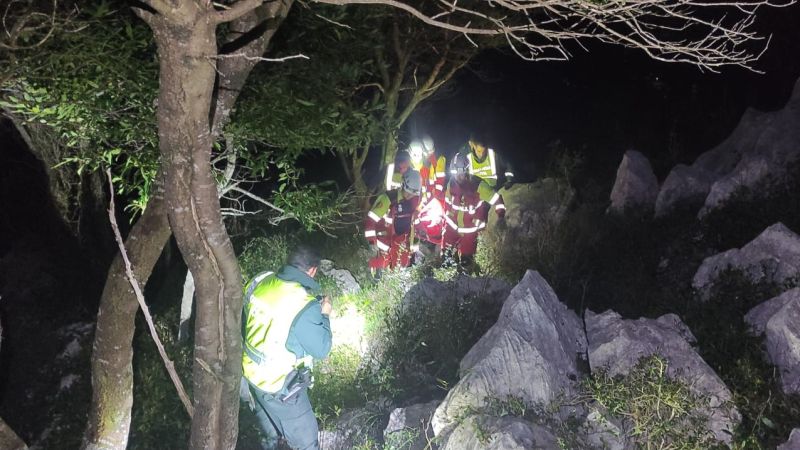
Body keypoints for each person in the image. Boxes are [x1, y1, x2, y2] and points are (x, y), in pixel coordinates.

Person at [241, 246, 332, 450]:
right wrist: (324, 314)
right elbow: (322, 349)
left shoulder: (262, 281)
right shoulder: (303, 303)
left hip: (251, 378)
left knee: (270, 438)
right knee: (307, 444)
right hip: (279, 387)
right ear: (312, 271)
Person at [442, 153, 505, 272]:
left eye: (461, 173)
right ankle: (448, 281)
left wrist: (500, 215)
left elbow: (497, 199)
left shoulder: (478, 186)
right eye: (456, 174)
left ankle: (468, 280)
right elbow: (447, 204)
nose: (459, 177)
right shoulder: (451, 184)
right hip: (451, 229)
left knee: (466, 264)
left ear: (467, 170)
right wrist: (446, 220)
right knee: (446, 260)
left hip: (469, 232)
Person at [365, 169, 422, 276]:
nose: (409, 196)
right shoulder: (388, 199)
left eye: (413, 193)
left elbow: (415, 221)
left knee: (402, 270)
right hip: (384, 242)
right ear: (403, 185)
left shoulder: (415, 200)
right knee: (378, 268)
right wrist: (372, 243)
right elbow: (370, 220)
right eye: (408, 192)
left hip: (401, 242)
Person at [408, 135, 447, 203]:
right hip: (427, 200)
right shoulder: (422, 163)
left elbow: (440, 183)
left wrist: (434, 198)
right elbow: (423, 183)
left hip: (436, 200)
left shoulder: (438, 160)